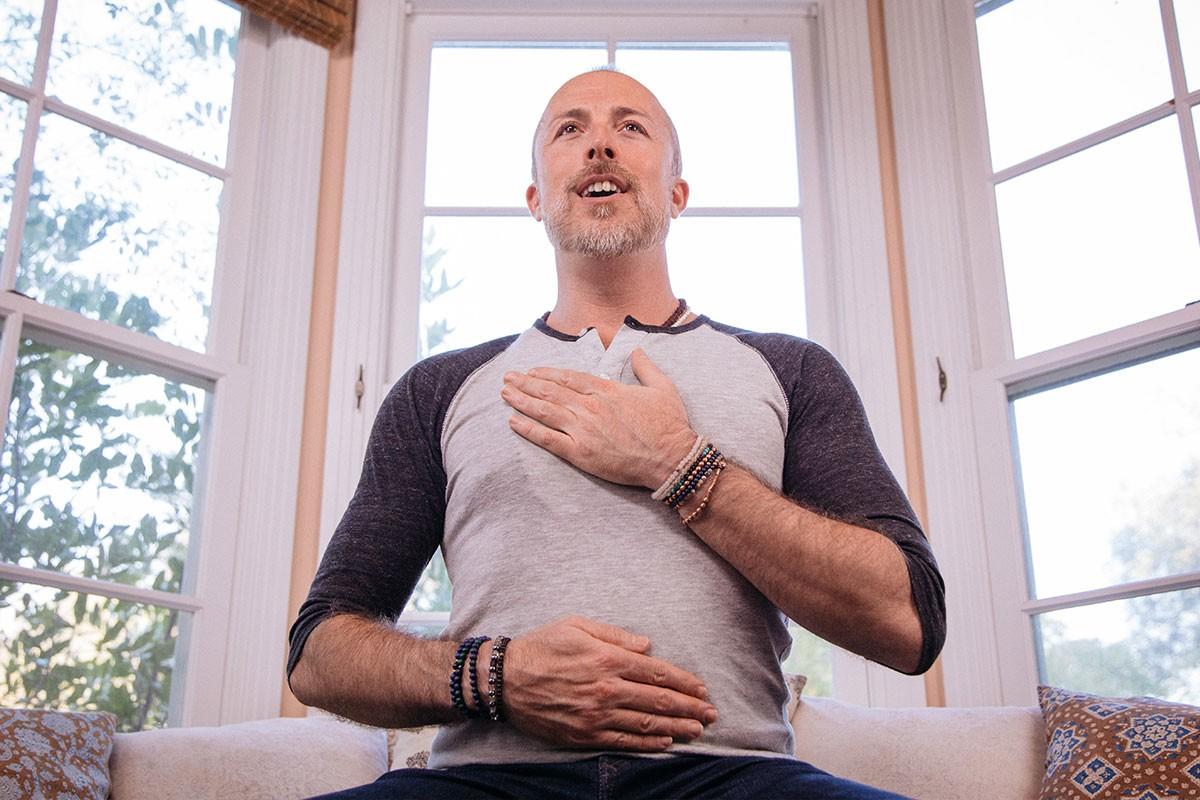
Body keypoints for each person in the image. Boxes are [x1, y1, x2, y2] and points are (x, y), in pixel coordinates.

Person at [287, 67, 946, 799]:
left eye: (631, 127)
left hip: (735, 777)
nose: (599, 145)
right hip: (487, 781)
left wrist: (682, 465)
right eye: (569, 130)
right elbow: (318, 654)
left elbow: (909, 621)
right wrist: (494, 674)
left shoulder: (793, 371)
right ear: (536, 199)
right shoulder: (436, 390)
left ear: (677, 194)